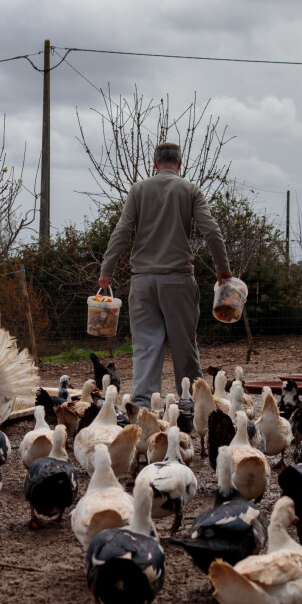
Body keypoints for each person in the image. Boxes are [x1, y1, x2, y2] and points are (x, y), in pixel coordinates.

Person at [99, 142, 233, 409]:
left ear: (154, 163)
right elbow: (212, 231)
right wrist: (223, 270)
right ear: (180, 163)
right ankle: (190, 403)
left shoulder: (138, 190)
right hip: (179, 280)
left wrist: (107, 270)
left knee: (147, 347)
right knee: (184, 345)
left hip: (143, 281)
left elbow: (122, 230)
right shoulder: (190, 190)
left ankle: (143, 406)